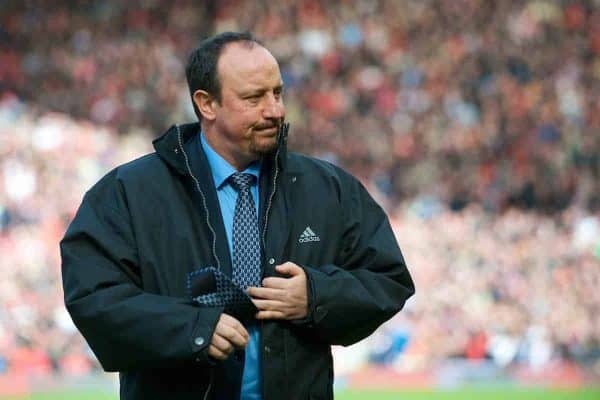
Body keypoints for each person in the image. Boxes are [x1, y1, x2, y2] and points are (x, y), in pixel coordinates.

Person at [60, 31, 415, 400]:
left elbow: (388, 279)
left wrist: (316, 297)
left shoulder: (328, 188)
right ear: (206, 104)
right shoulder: (128, 192)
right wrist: (192, 328)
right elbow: (93, 298)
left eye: (277, 93)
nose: (275, 110)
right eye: (253, 98)